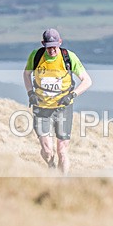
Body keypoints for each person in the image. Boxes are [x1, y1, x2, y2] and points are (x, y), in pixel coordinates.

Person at [23, 28, 92, 174]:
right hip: (41, 108)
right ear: (43, 44)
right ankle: (50, 165)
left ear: (60, 42)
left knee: (62, 150)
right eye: (49, 46)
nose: (52, 50)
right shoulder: (36, 56)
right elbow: (26, 74)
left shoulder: (69, 57)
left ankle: (63, 182)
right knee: (48, 151)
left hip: (63, 108)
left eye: (55, 45)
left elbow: (87, 81)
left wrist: (72, 95)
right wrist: (30, 93)